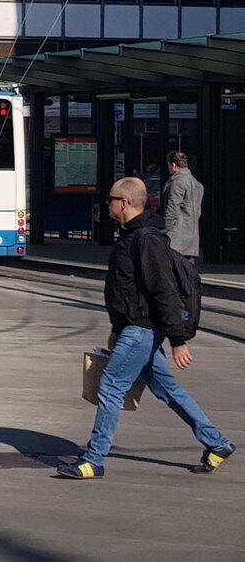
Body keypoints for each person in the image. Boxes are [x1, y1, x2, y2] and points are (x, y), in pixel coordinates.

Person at [57, 177, 234, 479]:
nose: (107, 204)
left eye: (111, 199)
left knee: (111, 387)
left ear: (124, 203)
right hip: (135, 328)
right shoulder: (132, 236)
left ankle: (94, 459)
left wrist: (177, 339)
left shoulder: (146, 240)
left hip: (142, 330)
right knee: (167, 389)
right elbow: (127, 291)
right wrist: (116, 328)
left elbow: (163, 290)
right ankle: (217, 443)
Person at [162, 150, 203, 264]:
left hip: (175, 238)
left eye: (168, 165)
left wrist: (164, 231)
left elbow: (171, 210)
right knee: (187, 271)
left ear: (173, 165)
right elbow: (197, 212)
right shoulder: (197, 184)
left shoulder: (177, 183)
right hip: (191, 238)